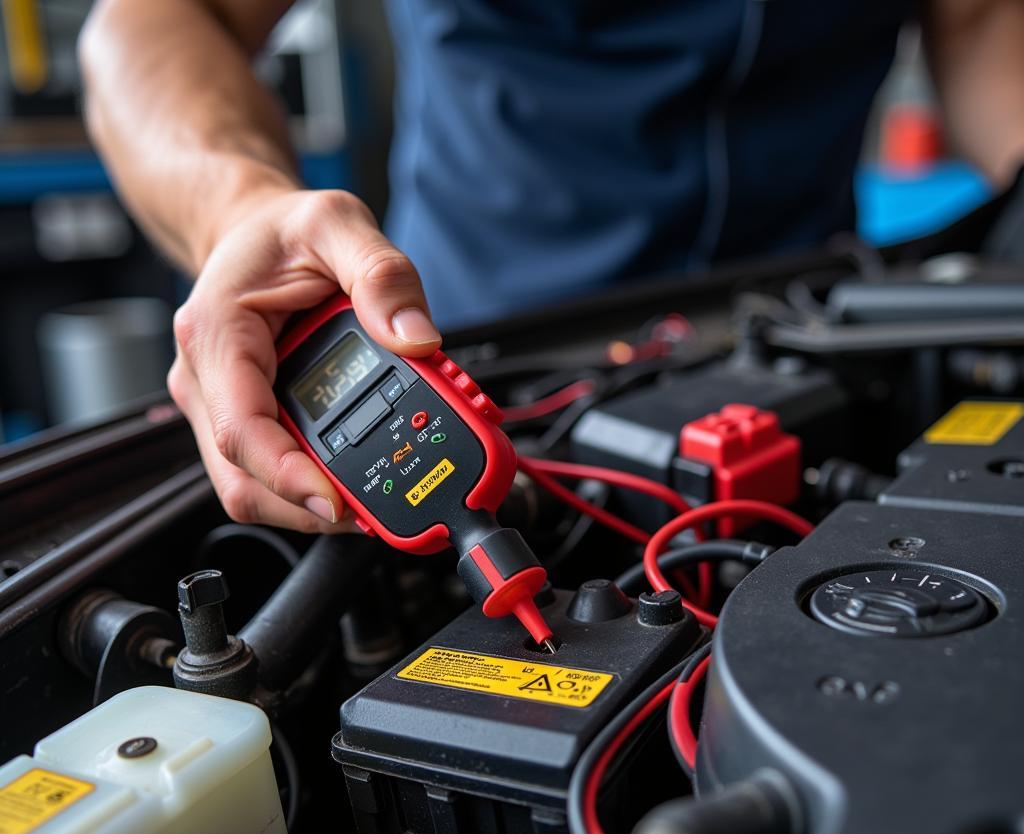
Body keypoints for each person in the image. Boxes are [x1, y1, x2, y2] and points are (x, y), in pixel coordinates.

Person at [78, 0, 1024, 534]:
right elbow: (151, 22)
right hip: (471, 373)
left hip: (813, 344)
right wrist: (237, 205)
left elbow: (980, 22)